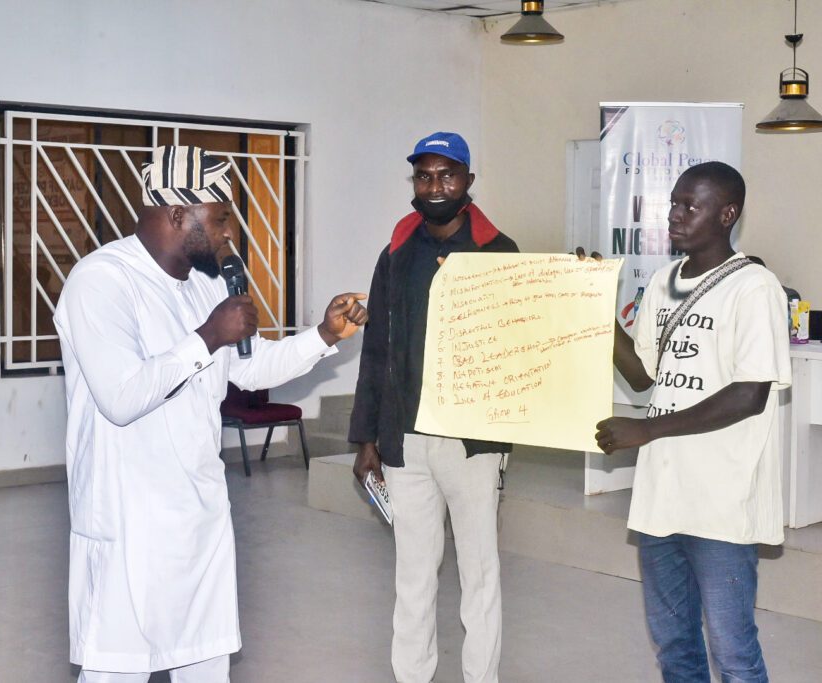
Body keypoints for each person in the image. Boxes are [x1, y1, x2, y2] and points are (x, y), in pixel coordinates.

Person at [53, 145, 367, 682]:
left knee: (205, 668)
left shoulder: (203, 286)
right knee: (117, 672)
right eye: (219, 218)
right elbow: (122, 398)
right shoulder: (102, 281)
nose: (228, 233)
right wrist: (207, 335)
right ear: (178, 214)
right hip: (130, 520)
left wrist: (325, 335)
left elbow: (250, 367)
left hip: (198, 517)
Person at [593, 162, 790, 682]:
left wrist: (647, 431)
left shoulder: (754, 287)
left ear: (727, 214)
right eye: (673, 204)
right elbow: (642, 375)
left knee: (733, 652)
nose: (674, 216)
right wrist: (594, 305)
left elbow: (750, 394)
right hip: (663, 493)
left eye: (689, 206)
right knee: (675, 645)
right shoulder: (662, 283)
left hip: (721, 498)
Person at [348, 132, 517, 683]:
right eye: (425, 176)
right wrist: (366, 437)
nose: (435, 186)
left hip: (472, 442)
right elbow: (375, 351)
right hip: (405, 440)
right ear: (414, 184)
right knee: (413, 577)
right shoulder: (394, 255)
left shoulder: (499, 252)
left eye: (447, 175)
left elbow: (519, 346)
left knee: (479, 575)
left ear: (468, 181)